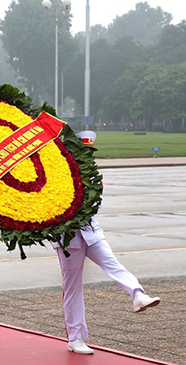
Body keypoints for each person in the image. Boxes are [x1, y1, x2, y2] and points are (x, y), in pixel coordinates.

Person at [56, 131, 161, 355]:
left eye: (90, 152)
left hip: (91, 232)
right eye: (84, 152)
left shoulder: (94, 176)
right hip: (68, 238)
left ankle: (138, 295)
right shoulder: (59, 173)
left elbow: (95, 206)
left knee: (113, 263)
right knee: (73, 288)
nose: (88, 156)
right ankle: (75, 338)